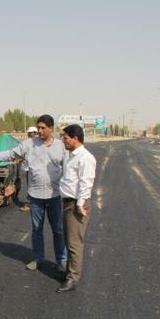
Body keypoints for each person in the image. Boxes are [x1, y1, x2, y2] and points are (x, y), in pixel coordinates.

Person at [0, 115, 67, 272]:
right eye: (38, 127)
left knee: (57, 229)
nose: (39, 130)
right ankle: (38, 259)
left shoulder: (61, 146)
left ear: (51, 128)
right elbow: (12, 153)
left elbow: (71, 165)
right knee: (37, 229)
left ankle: (62, 261)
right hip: (36, 196)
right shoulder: (29, 144)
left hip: (54, 195)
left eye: (43, 128)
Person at [56, 124, 97, 293]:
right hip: (67, 203)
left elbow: (86, 183)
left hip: (76, 205)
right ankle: (69, 272)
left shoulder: (85, 158)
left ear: (75, 138)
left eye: (65, 138)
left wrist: (80, 204)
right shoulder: (70, 155)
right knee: (68, 240)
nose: (63, 141)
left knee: (74, 243)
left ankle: (73, 278)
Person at [19, 126, 39, 212]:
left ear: (35, 133)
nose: (29, 134)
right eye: (29, 133)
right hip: (29, 168)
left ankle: (30, 204)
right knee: (31, 186)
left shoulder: (38, 143)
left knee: (32, 187)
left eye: (30, 133)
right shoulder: (28, 142)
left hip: (34, 169)